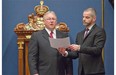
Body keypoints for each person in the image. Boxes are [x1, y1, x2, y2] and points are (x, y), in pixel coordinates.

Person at [58, 8, 106, 75]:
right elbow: (76, 54)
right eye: (83, 17)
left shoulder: (99, 31)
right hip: (82, 72)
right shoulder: (79, 34)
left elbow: (97, 50)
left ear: (94, 18)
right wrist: (65, 53)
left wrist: (79, 48)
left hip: (95, 71)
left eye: (87, 17)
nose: (84, 19)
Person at [28, 11, 73, 75]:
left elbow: (68, 58)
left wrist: (69, 73)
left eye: (53, 19)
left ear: (56, 21)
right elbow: (32, 57)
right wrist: (34, 73)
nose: (51, 21)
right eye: (49, 19)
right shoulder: (36, 36)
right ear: (44, 21)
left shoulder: (63, 35)